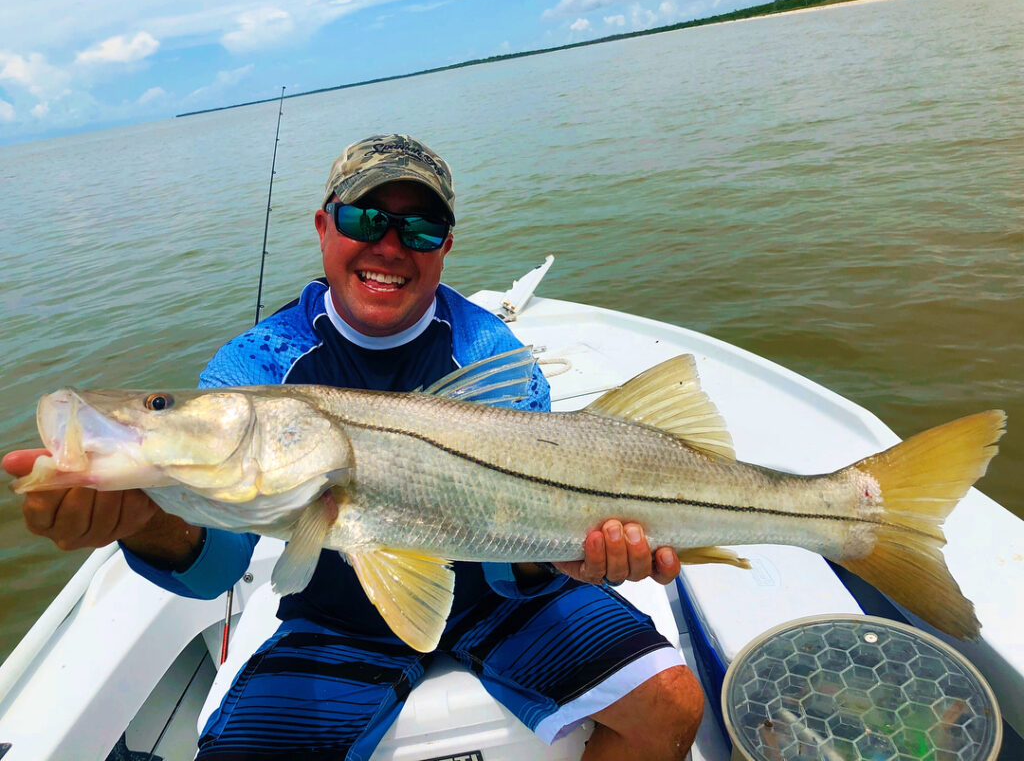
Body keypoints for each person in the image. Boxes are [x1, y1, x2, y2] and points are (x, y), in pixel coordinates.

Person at [3, 134, 704, 760]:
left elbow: (527, 535)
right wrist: (149, 522)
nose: (390, 246)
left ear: (445, 246)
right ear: (324, 224)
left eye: (421, 227)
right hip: (334, 616)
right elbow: (219, 569)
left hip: (500, 596)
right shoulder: (257, 367)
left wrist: (578, 557)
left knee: (671, 707)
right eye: (366, 217)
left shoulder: (496, 355)